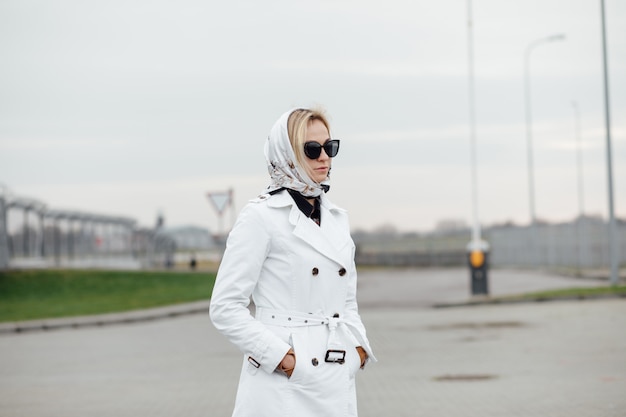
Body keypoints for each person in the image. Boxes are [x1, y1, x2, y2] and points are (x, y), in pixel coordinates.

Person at [209, 108, 376, 417]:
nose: (324, 157)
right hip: (282, 386)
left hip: (335, 371)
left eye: (330, 147)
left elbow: (346, 300)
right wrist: (283, 359)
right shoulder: (260, 216)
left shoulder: (337, 218)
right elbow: (225, 307)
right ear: (286, 153)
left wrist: (359, 349)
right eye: (312, 150)